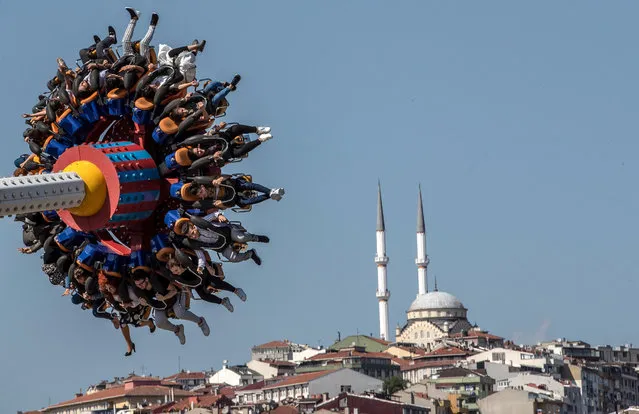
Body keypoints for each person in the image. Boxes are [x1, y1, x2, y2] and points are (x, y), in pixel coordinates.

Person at [131, 269, 209, 345]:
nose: (139, 286)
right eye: (137, 284)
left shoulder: (157, 280)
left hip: (174, 298)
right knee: (159, 323)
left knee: (180, 313)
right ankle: (178, 329)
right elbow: (149, 302)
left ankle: (201, 321)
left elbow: (174, 290)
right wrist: (145, 304)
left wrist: (164, 297)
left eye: (141, 283)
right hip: (160, 305)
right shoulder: (138, 289)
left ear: (146, 279)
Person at [187, 174, 284, 209]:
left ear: (203, 186)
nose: (202, 194)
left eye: (201, 191)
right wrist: (221, 205)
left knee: (248, 185)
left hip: (232, 185)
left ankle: (270, 191)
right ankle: (270, 195)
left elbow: (226, 176)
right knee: (247, 202)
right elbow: (226, 206)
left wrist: (220, 179)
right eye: (200, 194)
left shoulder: (210, 182)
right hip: (232, 199)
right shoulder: (209, 200)